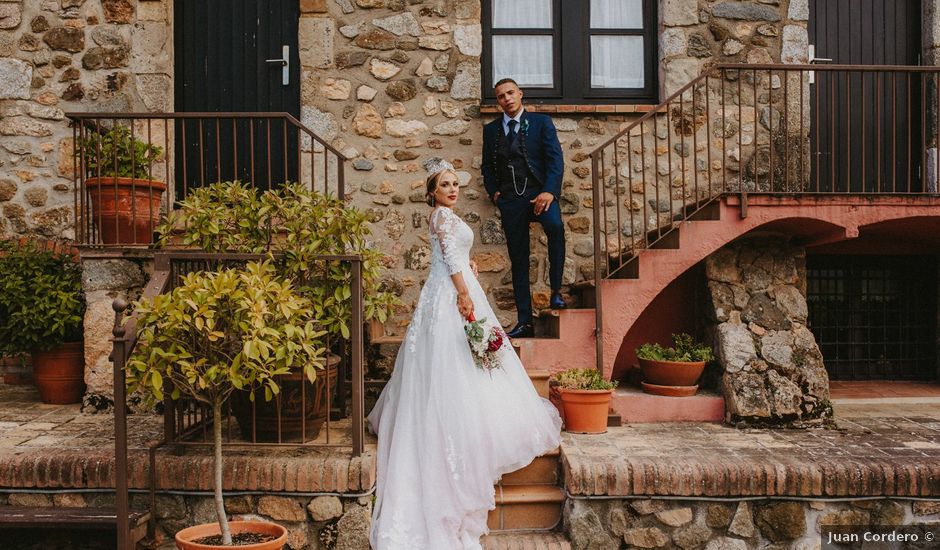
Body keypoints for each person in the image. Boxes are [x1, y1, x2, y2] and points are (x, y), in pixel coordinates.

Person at [367, 158, 562, 550]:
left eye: (456, 184)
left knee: (473, 359)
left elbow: (453, 255)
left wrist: (467, 268)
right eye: (445, 185)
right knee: (452, 359)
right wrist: (463, 291)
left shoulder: (447, 217)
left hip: (455, 282)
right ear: (432, 193)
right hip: (450, 294)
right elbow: (449, 257)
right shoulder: (441, 217)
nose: (453, 189)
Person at [482, 78, 567, 339]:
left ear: (520, 94)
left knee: (555, 227)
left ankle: (555, 292)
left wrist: (549, 192)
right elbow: (487, 166)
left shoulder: (541, 123)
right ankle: (524, 320)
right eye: (501, 96)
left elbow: (555, 160)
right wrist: (495, 192)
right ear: (498, 101)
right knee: (518, 258)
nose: (506, 98)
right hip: (510, 199)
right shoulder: (491, 130)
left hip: (540, 193)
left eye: (510, 93)